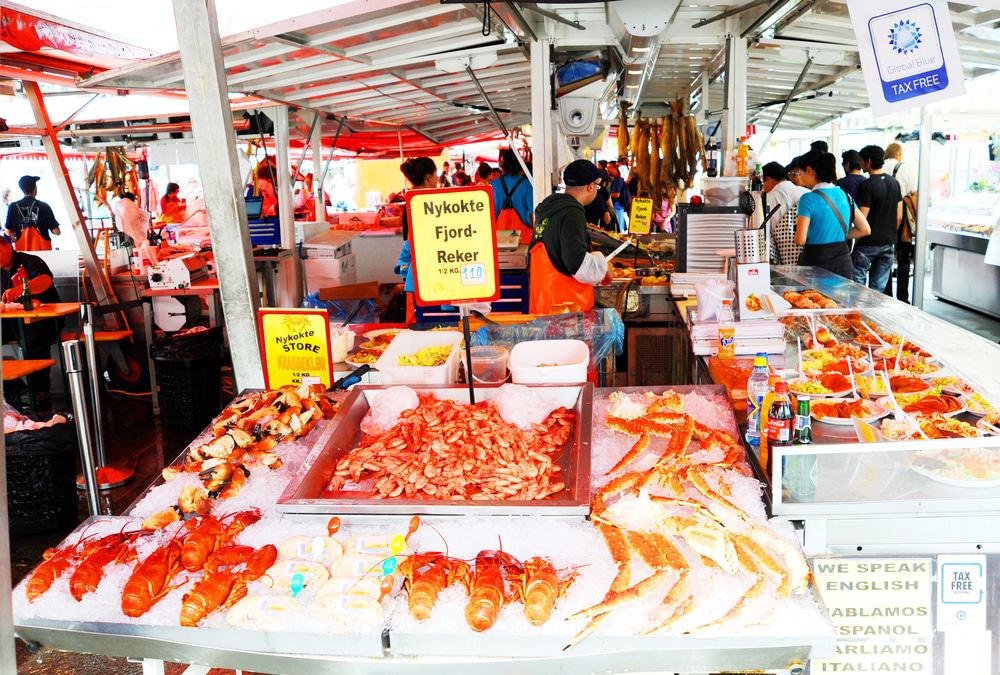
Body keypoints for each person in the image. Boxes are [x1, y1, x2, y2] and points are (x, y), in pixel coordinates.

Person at [530, 160, 610, 314]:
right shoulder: (572, 213)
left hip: (544, 306)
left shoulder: (548, 209)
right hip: (567, 313)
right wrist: (604, 266)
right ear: (590, 187)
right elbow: (577, 264)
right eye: (597, 186)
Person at [0, 237, 61, 406]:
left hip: (44, 320)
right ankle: (12, 389)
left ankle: (39, 392)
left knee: (33, 340)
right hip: (12, 322)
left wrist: (21, 289)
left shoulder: (29, 261)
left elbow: (46, 281)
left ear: (7, 247)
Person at [794, 150, 871, 279]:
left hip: (816, 266)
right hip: (842, 264)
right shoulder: (845, 195)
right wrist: (839, 233)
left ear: (809, 170)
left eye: (800, 173)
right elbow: (865, 229)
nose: (800, 177)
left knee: (815, 299)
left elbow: (800, 239)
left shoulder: (807, 199)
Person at [852, 145, 902, 293]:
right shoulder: (894, 183)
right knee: (877, 291)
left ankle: (859, 315)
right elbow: (899, 216)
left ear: (868, 161)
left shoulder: (867, 186)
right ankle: (872, 316)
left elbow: (863, 217)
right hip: (888, 243)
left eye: (861, 161)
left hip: (867, 244)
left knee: (858, 289)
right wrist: (889, 233)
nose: (860, 165)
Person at [394, 157, 437, 324]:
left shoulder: (411, 200)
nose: (437, 179)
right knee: (427, 318)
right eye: (435, 174)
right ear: (428, 177)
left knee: (424, 315)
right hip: (426, 266)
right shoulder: (426, 200)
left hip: (418, 266)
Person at [883, 142, 919, 302]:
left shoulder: (881, 166)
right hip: (902, 217)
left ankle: (887, 295)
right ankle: (903, 297)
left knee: (885, 258)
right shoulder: (904, 168)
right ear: (899, 154)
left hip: (883, 217)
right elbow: (915, 192)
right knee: (903, 258)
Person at [762, 162, 809, 265]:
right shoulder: (806, 193)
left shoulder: (767, 200)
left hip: (784, 260)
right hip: (809, 255)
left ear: (769, 180)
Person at [4, 176, 61, 251]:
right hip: (44, 254)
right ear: (35, 188)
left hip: (24, 255)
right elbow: (56, 231)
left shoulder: (13, 207)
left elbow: (8, 232)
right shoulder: (44, 206)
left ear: (22, 189)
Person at [491, 149, 534, 243]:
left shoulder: (493, 185)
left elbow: (490, 215)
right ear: (520, 164)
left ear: (503, 165)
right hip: (522, 238)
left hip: (498, 238)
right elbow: (532, 215)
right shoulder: (527, 185)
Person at [607, 162, 629, 233]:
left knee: (619, 227)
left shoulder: (617, 180)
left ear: (615, 168)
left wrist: (606, 195)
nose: (608, 169)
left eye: (610, 167)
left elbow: (616, 194)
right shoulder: (615, 180)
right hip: (618, 206)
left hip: (617, 206)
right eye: (607, 167)